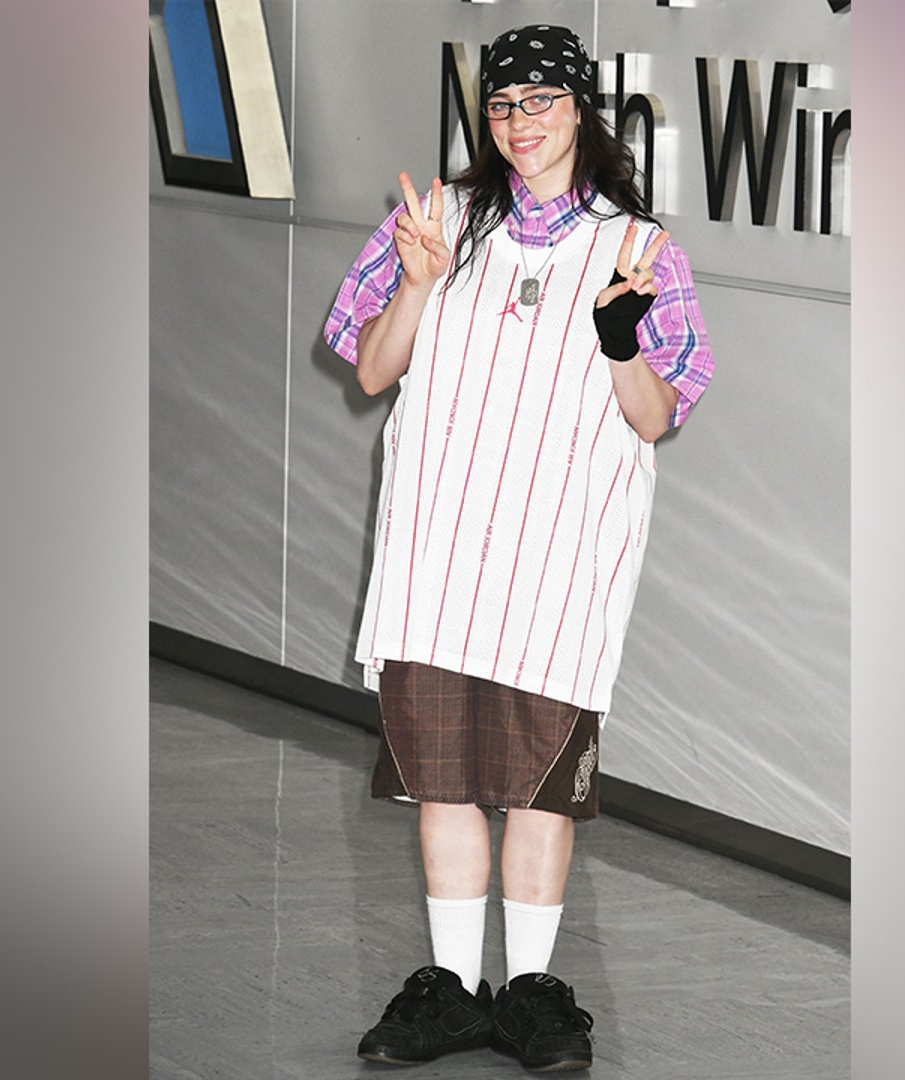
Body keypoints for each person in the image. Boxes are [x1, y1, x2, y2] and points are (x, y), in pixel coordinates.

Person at [322, 23, 714, 1073]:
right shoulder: (434, 219)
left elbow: (654, 416)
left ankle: (531, 991)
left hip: (558, 565)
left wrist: (622, 336)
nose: (520, 124)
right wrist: (417, 281)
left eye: (543, 101)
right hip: (438, 560)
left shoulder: (638, 247)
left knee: (540, 788)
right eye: (503, 105)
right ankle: (450, 989)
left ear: (583, 112)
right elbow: (369, 373)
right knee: (441, 784)